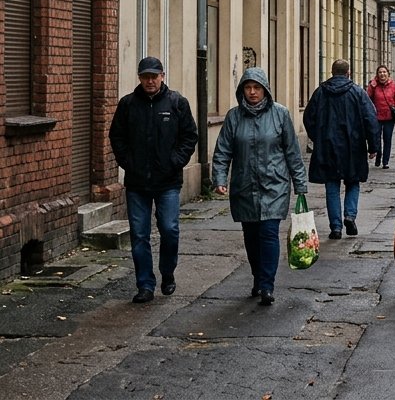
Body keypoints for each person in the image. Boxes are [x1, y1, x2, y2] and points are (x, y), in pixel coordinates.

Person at [212, 67, 308, 306]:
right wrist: (220, 179)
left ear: (265, 89)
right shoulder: (234, 117)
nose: (252, 92)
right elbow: (223, 151)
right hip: (244, 185)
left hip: (274, 184)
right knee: (251, 236)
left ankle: (267, 284)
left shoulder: (280, 114)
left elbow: (292, 152)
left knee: (268, 233)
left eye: (257, 88)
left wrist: (300, 184)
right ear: (242, 90)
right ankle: (257, 276)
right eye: (248, 88)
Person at [109, 56, 198, 304]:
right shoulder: (128, 105)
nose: (150, 81)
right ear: (139, 78)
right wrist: (128, 162)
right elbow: (117, 137)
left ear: (162, 76)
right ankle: (145, 285)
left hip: (168, 180)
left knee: (169, 229)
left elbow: (189, 136)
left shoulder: (177, 103)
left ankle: (167, 272)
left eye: (154, 76)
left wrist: (174, 161)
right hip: (137, 182)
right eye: (145, 76)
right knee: (139, 235)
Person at [304, 60, 380, 240]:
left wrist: (319, 138)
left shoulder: (321, 92)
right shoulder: (357, 92)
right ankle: (350, 215)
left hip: (328, 146)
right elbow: (371, 119)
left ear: (332, 72)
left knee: (332, 186)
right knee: (353, 182)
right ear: (349, 72)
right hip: (353, 146)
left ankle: (336, 227)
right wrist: (373, 146)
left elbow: (309, 118)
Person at [366, 65, 395, 168]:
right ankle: (378, 156)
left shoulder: (393, 85)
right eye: (380, 72)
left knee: (387, 139)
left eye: (384, 72)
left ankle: (385, 161)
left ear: (388, 74)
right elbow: (367, 100)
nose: (382, 74)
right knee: (376, 138)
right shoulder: (373, 85)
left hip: (389, 117)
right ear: (377, 75)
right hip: (376, 117)